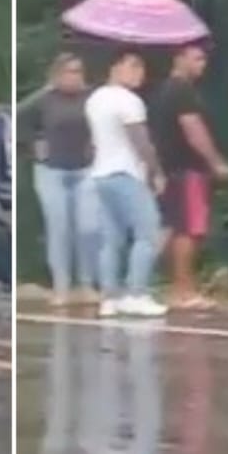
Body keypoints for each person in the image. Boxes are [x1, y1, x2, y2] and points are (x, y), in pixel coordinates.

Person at [149, 44, 228, 310]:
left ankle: (171, 285)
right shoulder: (181, 91)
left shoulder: (164, 90)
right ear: (179, 58)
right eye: (196, 58)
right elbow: (193, 129)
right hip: (187, 170)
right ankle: (183, 291)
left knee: (174, 228)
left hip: (171, 169)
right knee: (187, 230)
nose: (202, 64)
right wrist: (216, 162)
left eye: (204, 59)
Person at [86, 50, 167, 318]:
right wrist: (156, 171)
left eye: (141, 67)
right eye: (132, 66)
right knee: (148, 233)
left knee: (111, 239)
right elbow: (140, 140)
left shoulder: (95, 99)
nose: (138, 73)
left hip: (101, 173)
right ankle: (137, 293)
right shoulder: (129, 101)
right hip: (126, 173)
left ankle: (109, 298)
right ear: (114, 68)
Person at [23, 53, 99, 305]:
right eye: (69, 72)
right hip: (51, 170)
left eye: (78, 71)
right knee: (59, 227)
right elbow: (19, 119)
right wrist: (34, 144)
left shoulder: (91, 97)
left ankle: (86, 283)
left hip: (85, 169)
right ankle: (61, 286)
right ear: (57, 75)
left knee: (88, 227)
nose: (75, 77)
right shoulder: (44, 99)